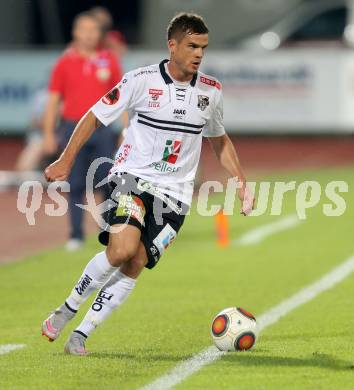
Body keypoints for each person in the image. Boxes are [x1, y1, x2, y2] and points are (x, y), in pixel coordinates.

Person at [41, 12, 255, 355]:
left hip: (176, 196)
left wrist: (241, 183)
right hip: (131, 179)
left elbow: (219, 139)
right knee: (122, 249)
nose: (199, 53)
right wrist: (66, 159)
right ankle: (67, 308)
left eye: (203, 47)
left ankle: (81, 334)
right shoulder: (140, 80)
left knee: (135, 261)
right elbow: (95, 115)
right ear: (172, 46)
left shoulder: (210, 92)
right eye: (192, 46)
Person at [43, 11, 122, 251]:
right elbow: (54, 100)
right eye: (83, 30)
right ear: (75, 33)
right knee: (75, 183)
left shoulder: (109, 60)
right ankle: (75, 234)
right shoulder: (64, 63)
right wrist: (48, 133)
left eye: (93, 30)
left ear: (99, 34)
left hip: (103, 130)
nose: (88, 35)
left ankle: (106, 231)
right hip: (72, 129)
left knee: (107, 182)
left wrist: (127, 128)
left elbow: (122, 96)